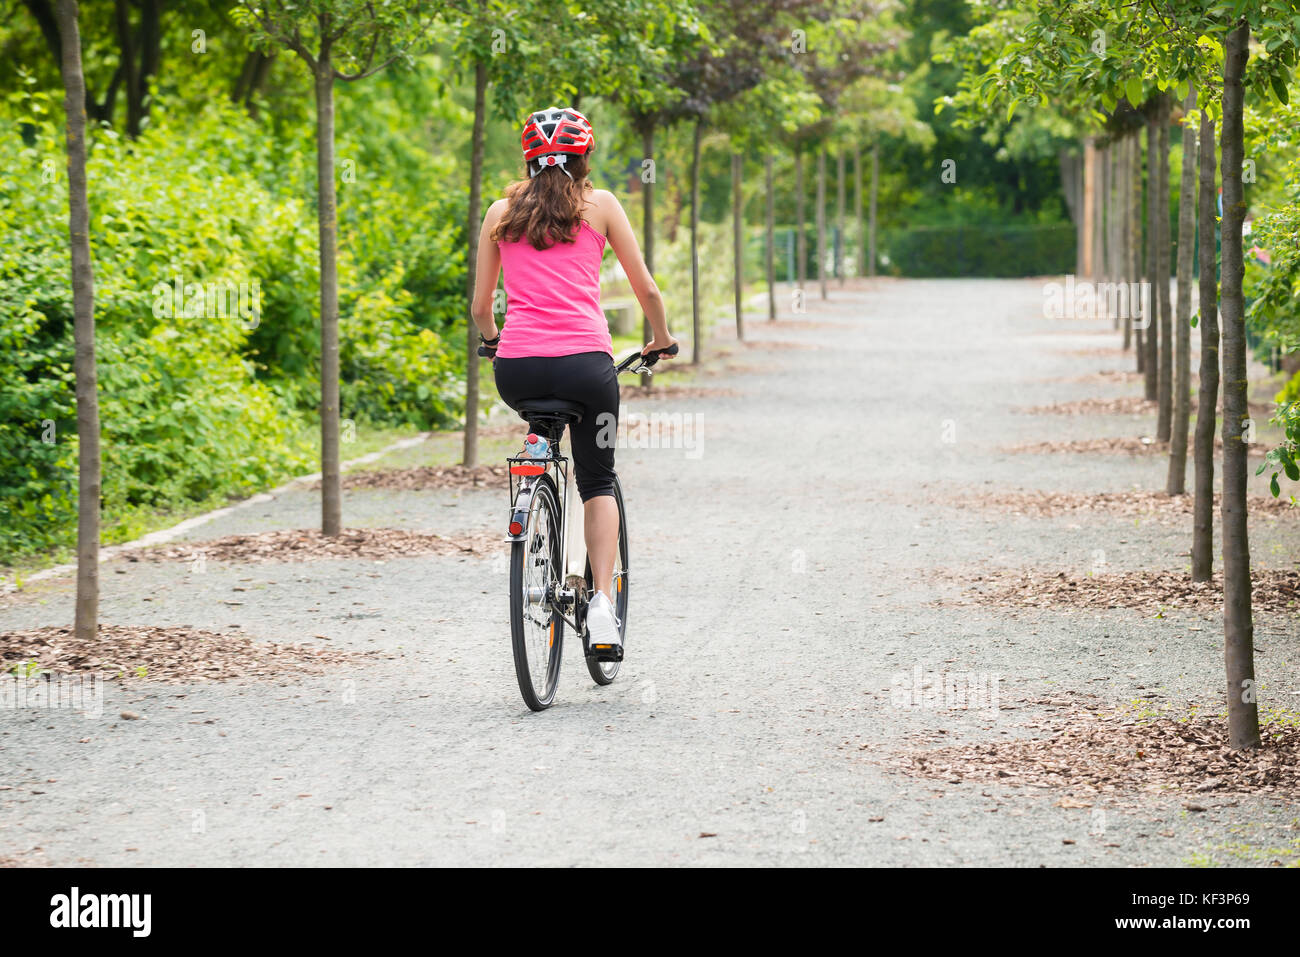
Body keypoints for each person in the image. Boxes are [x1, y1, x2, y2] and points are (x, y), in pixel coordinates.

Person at [470, 106, 676, 654]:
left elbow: (480, 308)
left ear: (528, 161)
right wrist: (660, 338)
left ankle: (535, 489)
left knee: (544, 431)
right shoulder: (601, 205)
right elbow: (648, 290)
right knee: (597, 480)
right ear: (584, 158)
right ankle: (602, 606)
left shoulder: (499, 212)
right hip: (588, 368)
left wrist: (495, 344)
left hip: (517, 370)